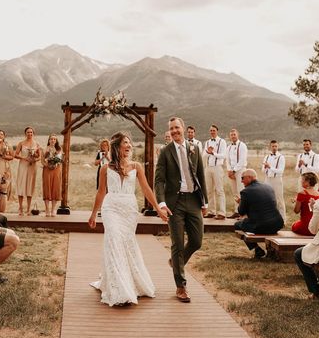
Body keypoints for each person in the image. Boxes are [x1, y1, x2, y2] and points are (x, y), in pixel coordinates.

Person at [88, 131, 168, 306]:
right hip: (111, 208)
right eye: (125, 142)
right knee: (114, 240)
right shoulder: (105, 168)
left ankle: (129, 281)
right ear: (117, 146)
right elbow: (101, 192)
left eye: (130, 143)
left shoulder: (136, 166)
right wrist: (94, 213)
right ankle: (120, 290)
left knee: (127, 243)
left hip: (129, 210)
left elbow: (147, 189)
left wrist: (158, 209)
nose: (129, 145)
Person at [155, 116, 207, 303]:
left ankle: (177, 262)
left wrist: (205, 202)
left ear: (183, 128)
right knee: (177, 243)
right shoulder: (165, 152)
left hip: (193, 200)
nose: (175, 131)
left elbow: (200, 174)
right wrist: (161, 203)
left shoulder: (194, 148)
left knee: (197, 240)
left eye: (177, 127)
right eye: (171, 128)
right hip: (174, 203)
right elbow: (159, 179)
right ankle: (181, 286)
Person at [234, 169, 284, 259]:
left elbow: (241, 212)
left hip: (261, 225)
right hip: (277, 224)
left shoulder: (246, 191)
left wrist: (240, 202)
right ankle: (270, 251)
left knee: (237, 225)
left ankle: (257, 249)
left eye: (242, 178)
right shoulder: (268, 187)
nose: (241, 181)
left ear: (249, 177)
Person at [14, 127, 41, 216]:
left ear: (33, 133)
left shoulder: (36, 144)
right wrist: (24, 158)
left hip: (32, 167)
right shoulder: (21, 143)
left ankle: (28, 209)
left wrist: (35, 159)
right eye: (28, 132)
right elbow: (16, 155)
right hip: (23, 166)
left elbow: (39, 156)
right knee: (21, 186)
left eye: (31, 132)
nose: (29, 134)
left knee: (30, 186)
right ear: (25, 133)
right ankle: (20, 208)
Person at [203, 124, 227, 219]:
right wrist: (208, 153)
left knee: (219, 190)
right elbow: (203, 156)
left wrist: (213, 153)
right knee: (209, 190)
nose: (212, 132)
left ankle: (222, 213)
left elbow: (223, 155)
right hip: (208, 167)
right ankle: (212, 211)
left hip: (217, 167)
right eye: (211, 130)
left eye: (214, 130)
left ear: (217, 131)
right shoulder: (208, 142)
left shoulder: (222, 142)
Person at [262, 140, 286, 221]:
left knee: (279, 200)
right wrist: (265, 168)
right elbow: (263, 170)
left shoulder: (281, 157)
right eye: (273, 146)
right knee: (267, 198)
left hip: (277, 180)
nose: (274, 148)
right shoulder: (267, 157)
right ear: (270, 147)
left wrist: (270, 167)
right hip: (267, 179)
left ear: (278, 146)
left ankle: (283, 219)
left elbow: (280, 171)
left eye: (276, 146)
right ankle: (269, 218)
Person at [226, 128, 248, 218]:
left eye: (234, 134)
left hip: (240, 170)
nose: (233, 136)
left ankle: (242, 212)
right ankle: (236, 210)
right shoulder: (229, 147)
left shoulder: (242, 145)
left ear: (237, 135)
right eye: (231, 135)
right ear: (229, 136)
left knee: (241, 191)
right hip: (232, 171)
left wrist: (234, 170)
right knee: (234, 191)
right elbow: (227, 160)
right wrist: (229, 170)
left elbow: (242, 160)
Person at [42, 134, 63, 217]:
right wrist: (47, 164)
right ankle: (47, 209)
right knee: (47, 187)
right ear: (49, 140)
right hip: (47, 170)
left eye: (54, 139)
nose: (53, 140)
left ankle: (53, 209)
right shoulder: (45, 149)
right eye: (51, 139)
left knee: (55, 188)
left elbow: (60, 160)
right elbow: (42, 161)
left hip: (56, 170)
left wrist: (56, 163)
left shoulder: (59, 149)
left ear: (56, 141)